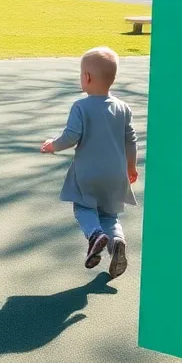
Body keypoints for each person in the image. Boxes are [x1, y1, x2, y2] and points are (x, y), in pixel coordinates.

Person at [40, 46, 139, 278]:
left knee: (84, 207)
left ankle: (95, 235)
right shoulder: (123, 108)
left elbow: (71, 136)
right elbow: (131, 140)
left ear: (87, 77)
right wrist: (131, 167)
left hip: (88, 173)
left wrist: (52, 145)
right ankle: (116, 242)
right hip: (115, 175)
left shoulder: (81, 107)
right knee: (109, 215)